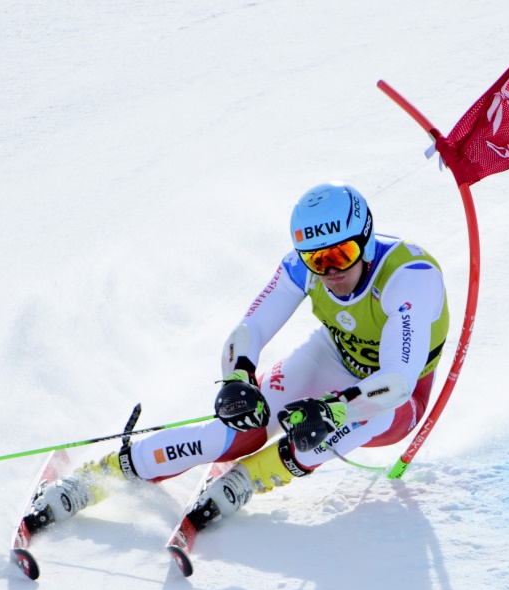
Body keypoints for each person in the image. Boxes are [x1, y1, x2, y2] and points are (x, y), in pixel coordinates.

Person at [24, 182, 449, 534]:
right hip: (330, 357)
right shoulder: (304, 270)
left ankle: (246, 481)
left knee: (325, 431)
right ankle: (98, 476)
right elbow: (250, 331)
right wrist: (238, 379)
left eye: (341, 256)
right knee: (233, 431)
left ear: (366, 239)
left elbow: (397, 382)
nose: (329, 271)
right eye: (316, 259)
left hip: (394, 402)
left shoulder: (409, 278)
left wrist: (335, 408)